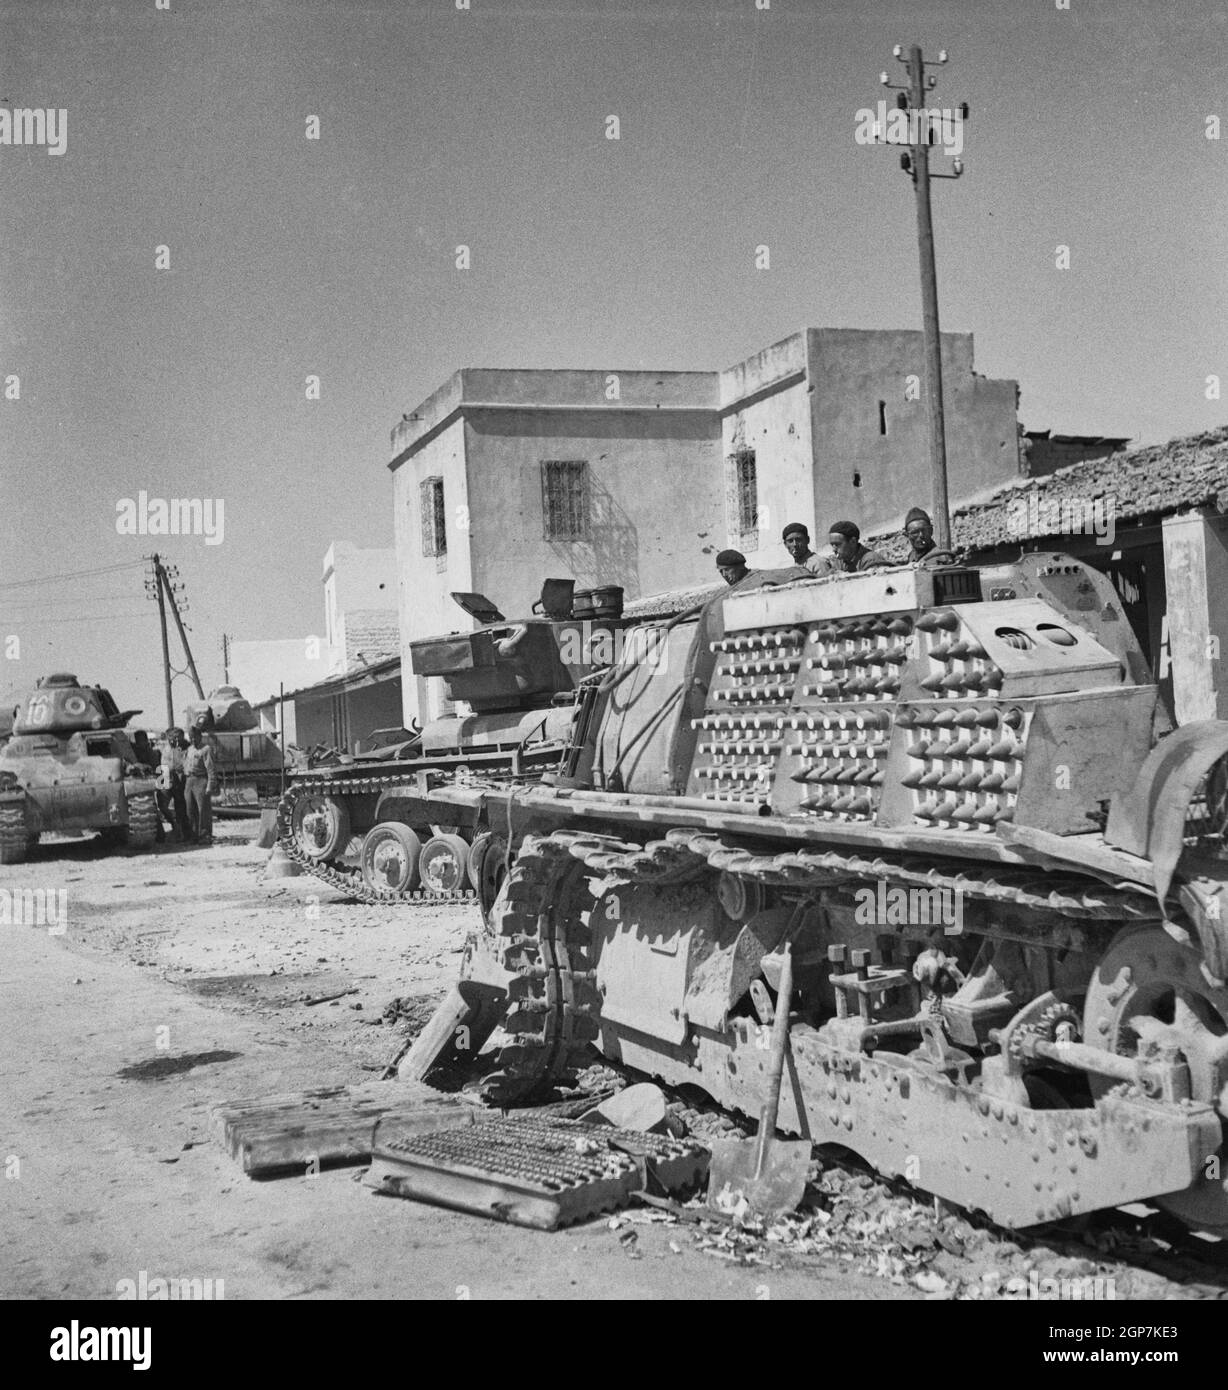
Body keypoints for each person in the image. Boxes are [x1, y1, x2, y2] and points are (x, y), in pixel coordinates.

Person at [182, 725, 217, 844]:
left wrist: (209, 786)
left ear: (200, 737)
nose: (193, 740)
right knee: (189, 810)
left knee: (203, 810)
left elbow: (210, 769)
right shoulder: (189, 749)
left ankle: (205, 835)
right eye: (191, 738)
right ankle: (193, 836)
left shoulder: (206, 749)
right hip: (189, 780)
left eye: (195, 737)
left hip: (200, 780)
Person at [155, 727, 188, 843]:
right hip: (164, 773)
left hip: (180, 777)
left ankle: (181, 832)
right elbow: (162, 764)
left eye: (177, 737)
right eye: (171, 738)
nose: (174, 740)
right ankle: (173, 823)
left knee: (181, 805)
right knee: (162, 804)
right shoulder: (163, 747)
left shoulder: (186, 747)